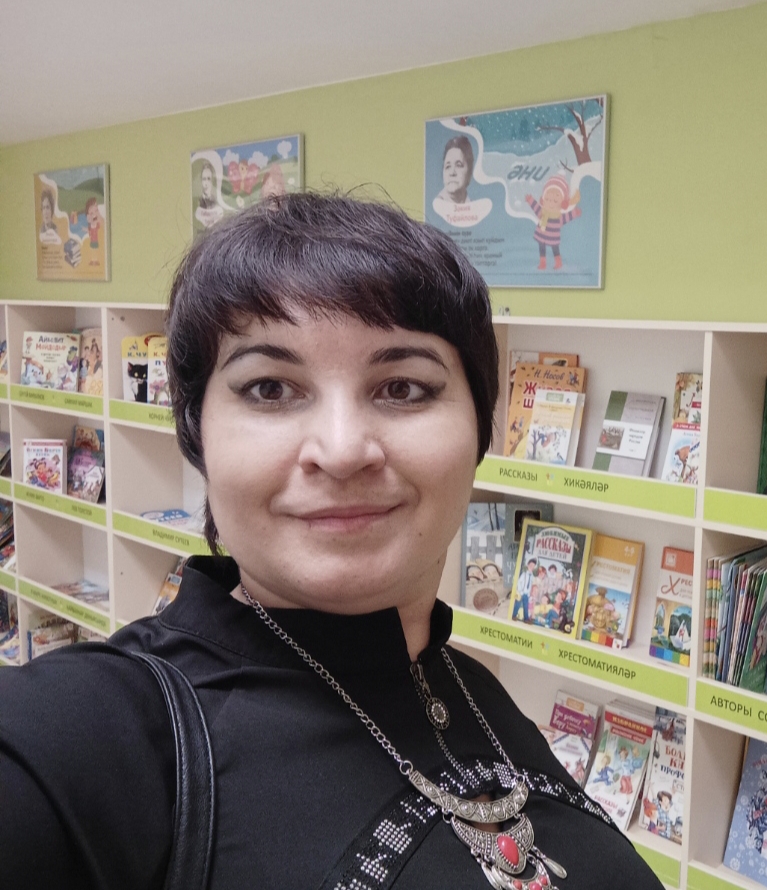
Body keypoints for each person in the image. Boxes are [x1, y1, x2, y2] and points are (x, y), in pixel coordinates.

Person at [0, 192, 663, 889]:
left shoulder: (478, 695)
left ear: (480, 430)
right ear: (196, 434)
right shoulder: (97, 735)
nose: (343, 451)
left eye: (403, 388)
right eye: (269, 389)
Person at [437, 135, 474, 205]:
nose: (452, 173)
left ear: (469, 172)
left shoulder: (475, 208)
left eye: (458, 165)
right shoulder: (434, 207)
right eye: (448, 166)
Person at [195, 162, 225, 229]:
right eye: (204, 179)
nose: (206, 183)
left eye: (208, 179)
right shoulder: (198, 202)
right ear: (201, 181)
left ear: (212, 181)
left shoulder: (217, 202)